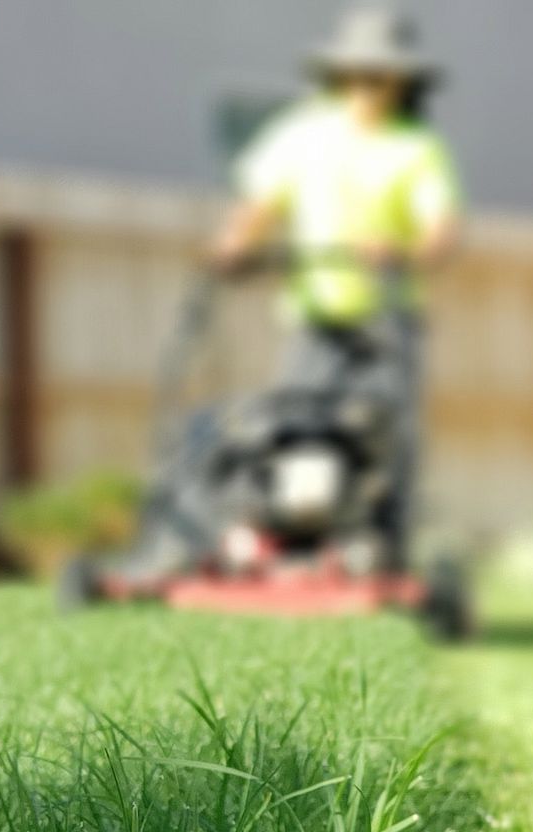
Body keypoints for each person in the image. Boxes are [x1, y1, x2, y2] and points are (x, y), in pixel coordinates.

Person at [209, 7, 464, 572]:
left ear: (403, 82)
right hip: (313, 315)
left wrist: (401, 252)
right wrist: (234, 243)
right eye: (359, 73)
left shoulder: (416, 148)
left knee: (382, 443)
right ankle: (286, 550)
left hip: (387, 318)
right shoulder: (302, 133)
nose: (369, 87)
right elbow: (260, 201)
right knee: (289, 432)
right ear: (339, 74)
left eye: (382, 76)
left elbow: (440, 231)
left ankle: (383, 557)